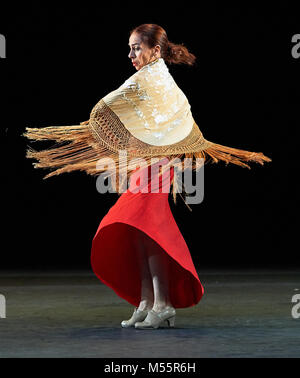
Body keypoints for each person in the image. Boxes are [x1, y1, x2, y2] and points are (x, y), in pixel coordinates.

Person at [23, 24, 271, 330]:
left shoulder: (155, 80)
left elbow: (148, 111)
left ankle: (163, 303)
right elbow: (137, 116)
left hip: (158, 165)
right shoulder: (149, 79)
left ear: (155, 50)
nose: (130, 54)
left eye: (136, 47)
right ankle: (146, 301)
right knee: (137, 230)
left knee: (147, 227)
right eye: (129, 48)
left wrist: (100, 117)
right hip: (145, 163)